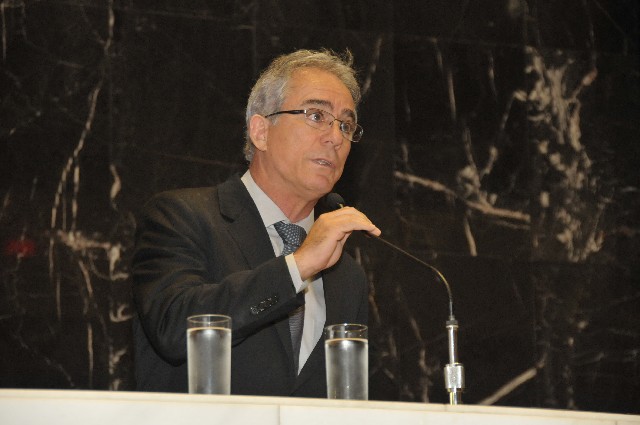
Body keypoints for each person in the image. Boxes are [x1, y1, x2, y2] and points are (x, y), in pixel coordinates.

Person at [131, 48, 381, 397]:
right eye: (316, 115)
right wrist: (297, 267)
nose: (335, 137)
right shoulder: (181, 216)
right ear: (261, 131)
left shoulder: (347, 276)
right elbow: (174, 329)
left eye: (346, 125)